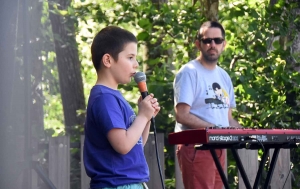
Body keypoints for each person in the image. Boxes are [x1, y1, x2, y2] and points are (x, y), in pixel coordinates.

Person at [83, 26, 160, 189]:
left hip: (129, 183)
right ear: (108, 60)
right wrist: (142, 117)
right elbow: (123, 145)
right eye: (130, 57)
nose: (136, 64)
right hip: (117, 184)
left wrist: (145, 118)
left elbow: (135, 143)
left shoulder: (113, 96)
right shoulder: (104, 98)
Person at [173, 21, 242, 189]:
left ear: (224, 44)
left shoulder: (224, 76)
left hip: (219, 146)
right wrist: (214, 128)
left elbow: (228, 119)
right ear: (198, 44)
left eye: (217, 40)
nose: (213, 45)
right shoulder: (189, 72)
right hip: (197, 147)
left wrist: (247, 134)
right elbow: (181, 114)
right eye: (207, 40)